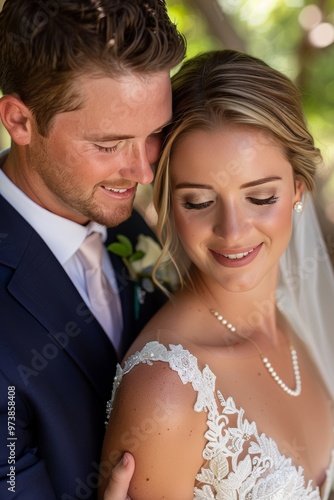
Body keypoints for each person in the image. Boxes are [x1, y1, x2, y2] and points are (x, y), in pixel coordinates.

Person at [99, 50, 334, 499]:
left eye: (261, 197)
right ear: (167, 202)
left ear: (298, 188)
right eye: (198, 202)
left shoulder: (300, 315)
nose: (232, 231)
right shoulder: (167, 391)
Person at [0, 0, 185, 498]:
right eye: (107, 145)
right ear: (19, 121)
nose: (144, 172)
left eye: (155, 134)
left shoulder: (125, 221)